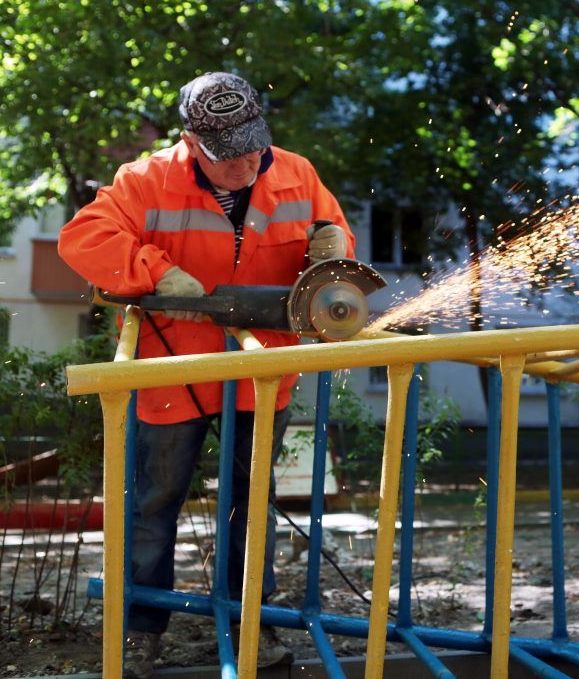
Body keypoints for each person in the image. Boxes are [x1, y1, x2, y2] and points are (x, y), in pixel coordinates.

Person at [58, 71, 356, 679]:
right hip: (172, 369)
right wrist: (153, 272)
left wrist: (332, 249)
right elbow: (82, 238)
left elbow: (331, 237)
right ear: (192, 143)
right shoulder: (144, 180)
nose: (247, 166)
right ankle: (140, 631)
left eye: (254, 148)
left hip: (260, 368)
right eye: (229, 157)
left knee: (252, 502)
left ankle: (253, 625)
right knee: (154, 500)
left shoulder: (296, 172)